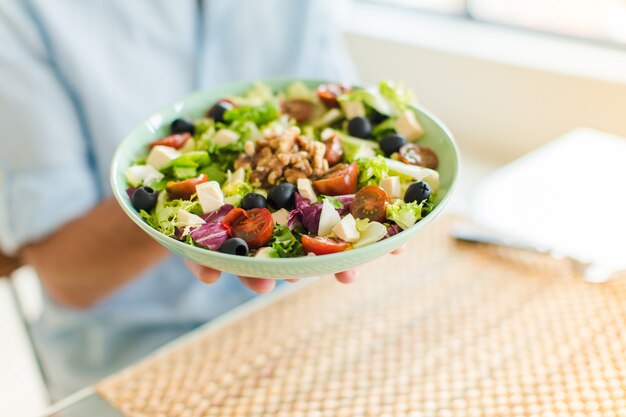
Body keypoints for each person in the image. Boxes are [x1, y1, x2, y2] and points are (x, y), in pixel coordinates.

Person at [0, 0, 394, 400]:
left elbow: (342, 118)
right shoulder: (22, 13)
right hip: (137, 359)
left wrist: (372, 202)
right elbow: (67, 275)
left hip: (301, 320)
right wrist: (189, 215)